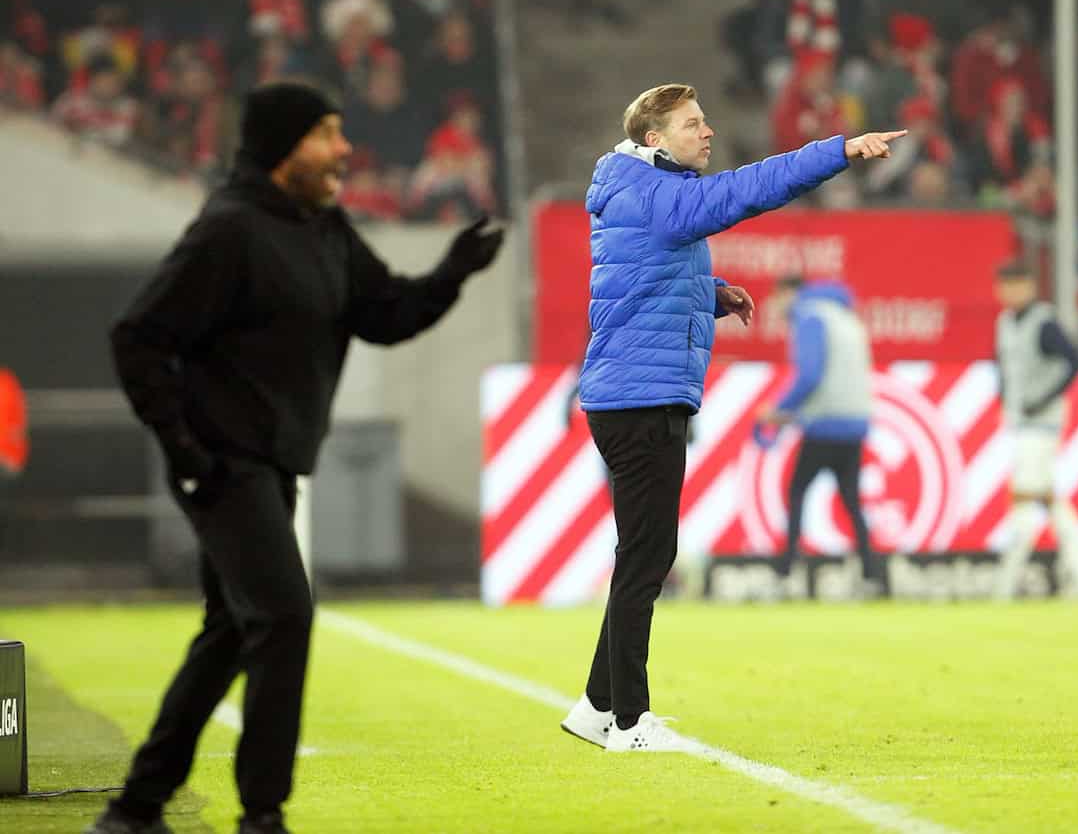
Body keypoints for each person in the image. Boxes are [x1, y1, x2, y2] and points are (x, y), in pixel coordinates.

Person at [86, 82, 504, 834]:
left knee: (231, 631)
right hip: (225, 463)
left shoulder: (325, 229)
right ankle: (262, 816)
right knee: (284, 614)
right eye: (327, 134)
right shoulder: (229, 230)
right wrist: (187, 454)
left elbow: (386, 314)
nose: (345, 150)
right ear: (284, 147)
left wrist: (452, 272)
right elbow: (137, 337)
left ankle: (136, 809)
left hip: (274, 464)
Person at [558, 83, 903, 753]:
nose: (707, 132)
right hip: (641, 398)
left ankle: (597, 707)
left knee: (644, 555)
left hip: (633, 393)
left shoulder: (634, 189)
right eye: (692, 124)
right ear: (656, 139)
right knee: (645, 560)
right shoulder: (660, 195)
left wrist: (713, 296)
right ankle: (629, 722)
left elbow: (644, 282)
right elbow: (748, 190)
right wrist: (835, 152)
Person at [992, 260, 1078, 601]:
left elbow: (1076, 361)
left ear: (1029, 286)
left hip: (1041, 423)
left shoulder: (1044, 323)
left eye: (1017, 285)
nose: (1011, 292)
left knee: (1024, 497)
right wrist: (1004, 399)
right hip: (1020, 421)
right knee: (1050, 500)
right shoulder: (1004, 323)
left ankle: (1006, 582)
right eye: (1005, 285)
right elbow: (1003, 365)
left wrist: (1043, 398)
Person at [758, 275, 879, 590]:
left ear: (788, 293)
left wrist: (778, 409)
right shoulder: (846, 317)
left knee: (797, 492)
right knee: (852, 500)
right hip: (855, 422)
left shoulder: (810, 316)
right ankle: (871, 573)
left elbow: (811, 375)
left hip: (824, 423)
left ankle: (785, 572)